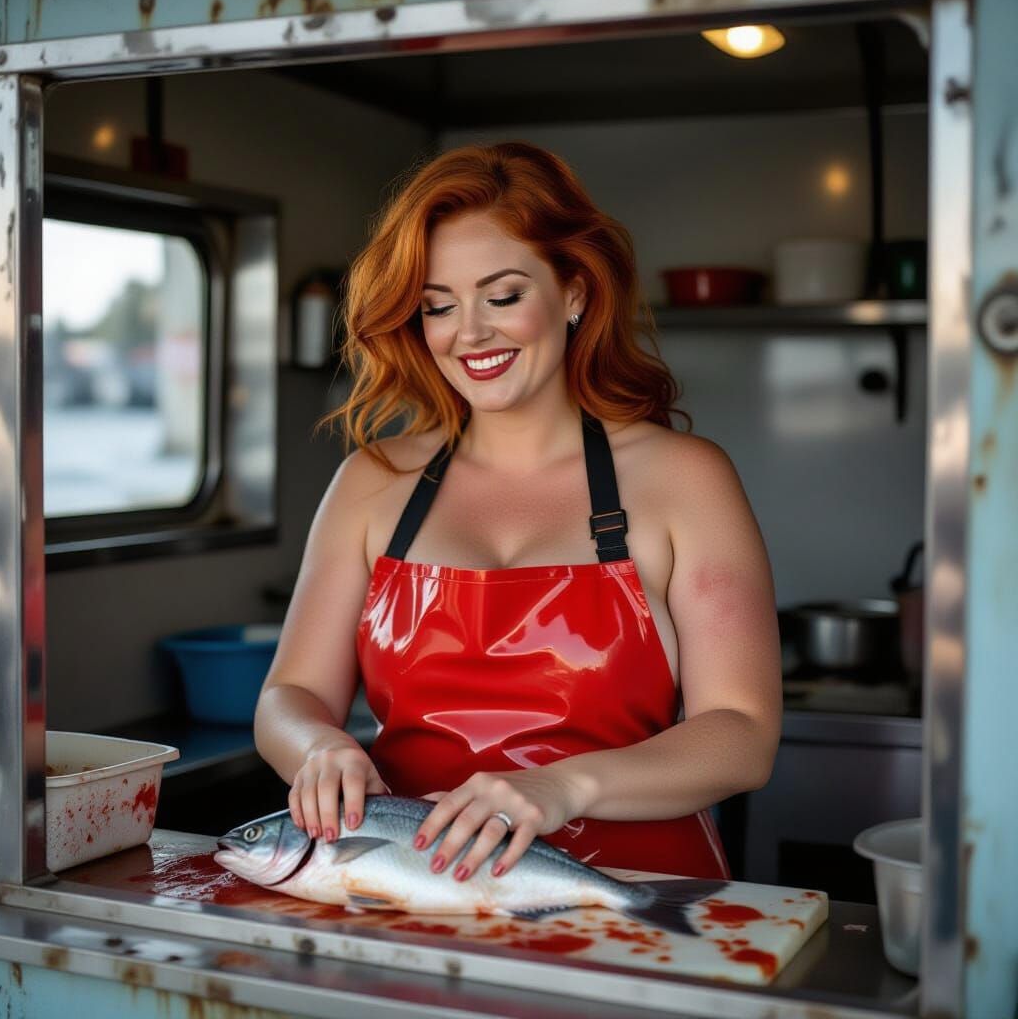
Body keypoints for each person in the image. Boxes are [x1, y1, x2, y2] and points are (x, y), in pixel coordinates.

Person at [254, 141, 781, 883]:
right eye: (439, 306)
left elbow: (742, 734)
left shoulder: (685, 479)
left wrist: (560, 787)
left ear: (574, 292)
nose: (469, 333)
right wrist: (318, 746)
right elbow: (289, 694)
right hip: (412, 886)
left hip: (638, 902)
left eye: (502, 296)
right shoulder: (371, 481)